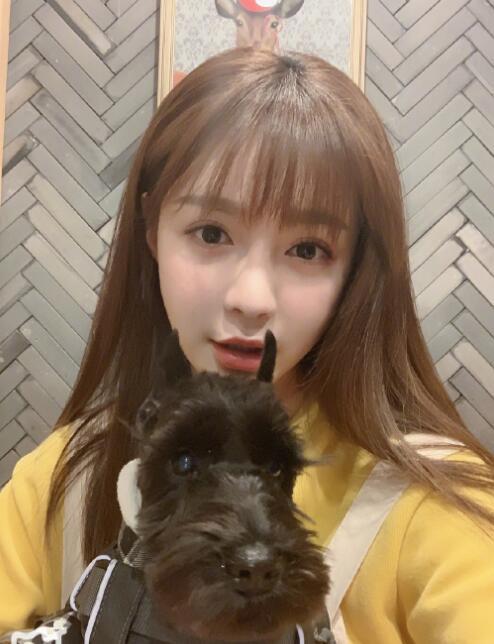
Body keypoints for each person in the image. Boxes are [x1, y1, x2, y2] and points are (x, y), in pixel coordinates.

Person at [0, 47, 493, 643]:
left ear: (354, 268)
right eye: (211, 233)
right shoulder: (63, 479)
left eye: (307, 249)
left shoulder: (437, 505)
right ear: (152, 229)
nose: (251, 298)